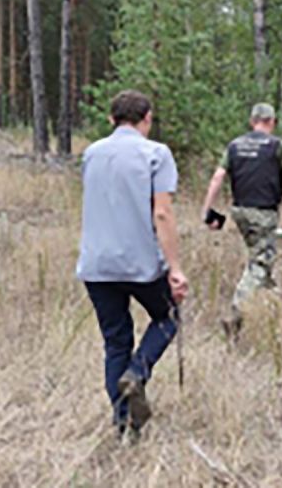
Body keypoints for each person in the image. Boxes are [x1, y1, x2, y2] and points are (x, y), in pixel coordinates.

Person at [76, 90, 188, 439]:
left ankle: (124, 426)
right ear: (147, 118)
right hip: (140, 263)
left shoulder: (91, 153)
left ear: (111, 119)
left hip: (96, 264)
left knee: (115, 342)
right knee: (168, 317)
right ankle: (137, 373)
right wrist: (175, 268)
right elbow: (162, 213)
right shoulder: (156, 154)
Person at [200, 103, 282, 337]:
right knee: (260, 263)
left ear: (252, 121)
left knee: (263, 257)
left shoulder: (234, 146)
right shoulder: (278, 146)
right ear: (272, 121)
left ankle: (272, 309)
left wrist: (207, 210)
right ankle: (234, 316)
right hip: (263, 213)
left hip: (239, 211)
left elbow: (217, 177)